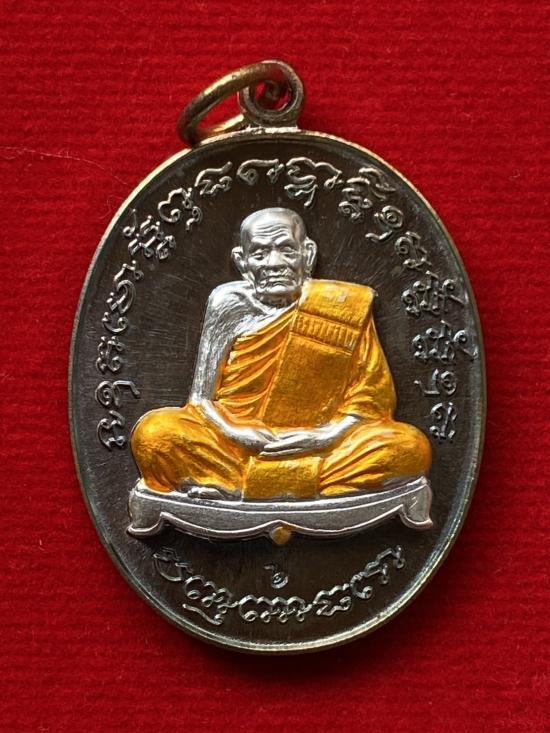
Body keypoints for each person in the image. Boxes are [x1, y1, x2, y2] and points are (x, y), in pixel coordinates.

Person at [131, 207, 431, 500]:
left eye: (286, 250)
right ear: (242, 262)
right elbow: (200, 400)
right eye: (260, 253)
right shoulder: (228, 303)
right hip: (238, 447)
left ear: (307, 254)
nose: (274, 263)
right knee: (155, 434)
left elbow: (371, 399)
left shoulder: (343, 305)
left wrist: (325, 436)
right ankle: (297, 487)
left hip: (321, 448)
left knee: (410, 448)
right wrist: (235, 433)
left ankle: (241, 487)